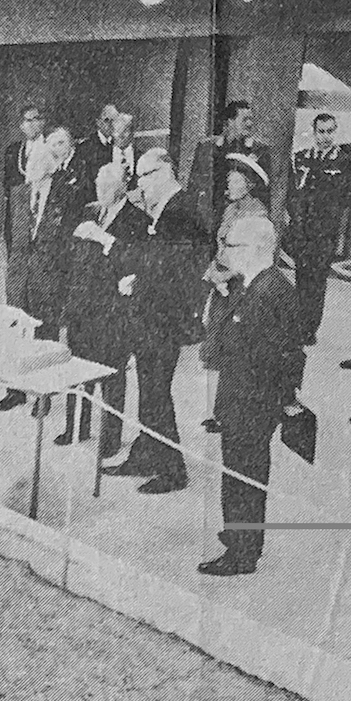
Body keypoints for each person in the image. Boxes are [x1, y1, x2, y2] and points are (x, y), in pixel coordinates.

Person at [198, 216, 305, 576]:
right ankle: (239, 534)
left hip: (251, 402)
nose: (225, 253)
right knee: (240, 473)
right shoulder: (261, 283)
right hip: (248, 399)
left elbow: (266, 354)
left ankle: (242, 554)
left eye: (232, 246)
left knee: (243, 477)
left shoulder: (264, 293)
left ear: (257, 249)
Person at [102, 148, 207, 494]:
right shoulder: (167, 207)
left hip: (165, 318)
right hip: (154, 313)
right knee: (149, 390)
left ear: (163, 173)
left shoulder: (179, 210)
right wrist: (139, 278)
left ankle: (173, 471)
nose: (139, 186)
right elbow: (159, 259)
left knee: (157, 393)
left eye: (143, 178)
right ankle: (145, 454)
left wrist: (129, 267)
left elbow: (171, 268)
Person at [0, 126, 91, 412]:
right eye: (30, 165)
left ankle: (43, 395)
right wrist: (14, 273)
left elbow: (69, 241)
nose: (31, 170)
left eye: (37, 164)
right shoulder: (19, 194)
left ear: (49, 167)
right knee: (16, 333)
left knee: (45, 337)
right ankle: (15, 390)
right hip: (19, 277)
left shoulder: (66, 194)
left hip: (48, 278)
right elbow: (11, 237)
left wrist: (60, 277)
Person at [58, 161, 151, 453]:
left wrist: (104, 238)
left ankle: (110, 439)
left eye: (107, 186)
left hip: (112, 309)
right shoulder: (90, 211)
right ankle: (75, 427)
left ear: (122, 188)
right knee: (77, 370)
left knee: (112, 374)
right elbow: (74, 261)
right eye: (98, 185)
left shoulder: (137, 219)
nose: (100, 191)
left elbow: (134, 262)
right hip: (82, 306)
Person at [199, 153, 270, 434]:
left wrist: (224, 276)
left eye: (235, 180)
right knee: (214, 346)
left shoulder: (258, 215)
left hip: (241, 290)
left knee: (234, 349)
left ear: (249, 185)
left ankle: (227, 412)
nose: (229, 184)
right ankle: (212, 412)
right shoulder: (230, 210)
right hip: (221, 287)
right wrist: (212, 272)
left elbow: (252, 259)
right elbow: (220, 248)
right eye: (229, 180)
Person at [285, 112, 351, 346]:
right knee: (301, 278)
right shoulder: (301, 158)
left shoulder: (343, 161)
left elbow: (346, 197)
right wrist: (297, 221)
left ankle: (309, 329)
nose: (325, 137)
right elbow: (292, 193)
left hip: (324, 233)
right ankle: (297, 324)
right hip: (302, 231)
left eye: (329, 131)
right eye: (321, 131)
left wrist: (327, 219)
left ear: (335, 132)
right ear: (314, 132)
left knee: (316, 281)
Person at [190, 101, 273, 233]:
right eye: (245, 119)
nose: (250, 124)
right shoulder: (206, 147)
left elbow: (264, 194)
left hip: (239, 224)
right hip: (207, 222)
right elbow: (195, 187)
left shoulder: (260, 151)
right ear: (229, 121)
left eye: (251, 119)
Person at [3, 104, 46, 263]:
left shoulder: (51, 147)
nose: (33, 124)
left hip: (42, 206)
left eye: (37, 119)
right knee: (17, 254)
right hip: (20, 209)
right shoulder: (13, 151)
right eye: (28, 120)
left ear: (43, 122)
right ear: (21, 126)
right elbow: (8, 184)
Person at [76, 103, 120, 184]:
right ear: (98, 122)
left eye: (114, 120)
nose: (111, 124)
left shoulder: (119, 144)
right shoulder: (86, 147)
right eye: (106, 120)